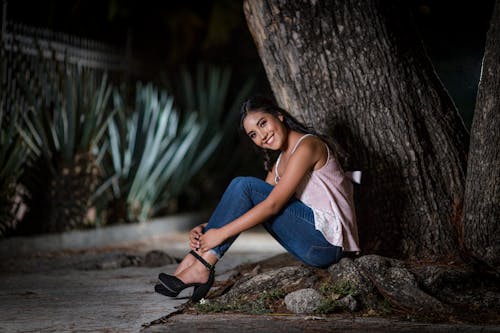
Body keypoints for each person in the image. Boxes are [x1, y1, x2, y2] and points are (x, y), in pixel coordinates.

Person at [155, 95, 360, 302]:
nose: (262, 135)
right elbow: (249, 206)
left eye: (263, 123)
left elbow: (273, 205)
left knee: (244, 185)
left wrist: (219, 234)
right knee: (243, 188)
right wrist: (207, 229)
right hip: (310, 245)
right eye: (253, 134)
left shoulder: (309, 146)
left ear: (279, 116)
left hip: (328, 245)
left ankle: (201, 266)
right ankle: (191, 266)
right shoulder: (279, 164)